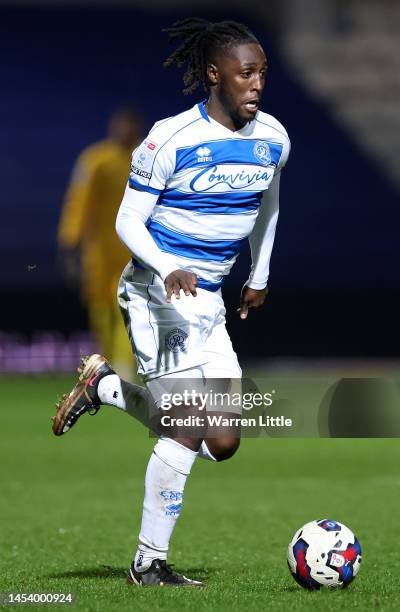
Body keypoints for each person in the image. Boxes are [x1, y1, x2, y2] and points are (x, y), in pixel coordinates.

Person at [52, 18, 290, 587]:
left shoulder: (274, 138)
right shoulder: (169, 138)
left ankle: (106, 387)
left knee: (224, 442)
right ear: (215, 75)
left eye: (262, 73)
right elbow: (127, 219)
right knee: (187, 425)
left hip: (208, 302)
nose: (257, 84)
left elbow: (268, 206)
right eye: (245, 73)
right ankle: (147, 564)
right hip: (157, 292)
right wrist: (167, 265)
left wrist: (258, 274)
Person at [58, 108, 143, 380]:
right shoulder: (96, 160)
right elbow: (78, 202)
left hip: (134, 249)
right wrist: (70, 242)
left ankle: (125, 367)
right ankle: (106, 366)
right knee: (101, 309)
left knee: (128, 307)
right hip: (99, 251)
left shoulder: (146, 158)